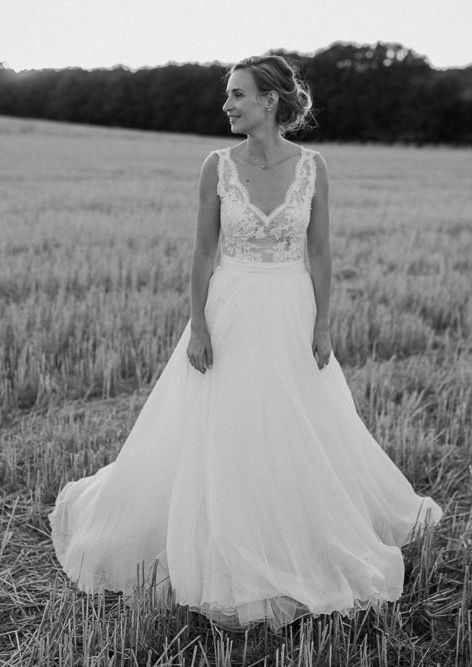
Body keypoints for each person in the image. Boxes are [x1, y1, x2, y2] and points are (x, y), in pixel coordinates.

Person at [48, 54, 443, 631]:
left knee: (296, 424)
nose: (226, 104)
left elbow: (320, 252)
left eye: (237, 94)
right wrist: (199, 325)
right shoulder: (217, 166)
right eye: (227, 94)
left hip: (290, 310)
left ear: (271, 101)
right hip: (229, 309)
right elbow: (204, 252)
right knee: (221, 424)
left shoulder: (313, 167)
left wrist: (323, 323)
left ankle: (296, 537)